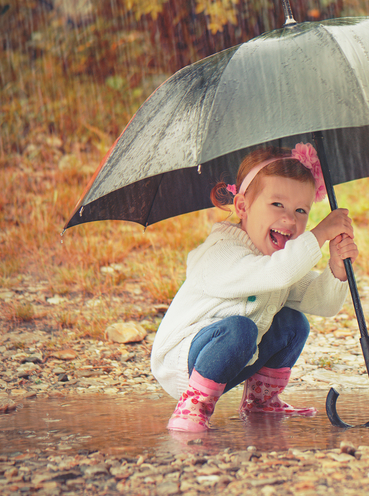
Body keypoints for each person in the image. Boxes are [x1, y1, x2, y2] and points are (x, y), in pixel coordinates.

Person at [151, 143, 357, 432]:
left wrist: (337, 267)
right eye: (277, 205)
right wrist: (320, 234)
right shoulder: (220, 252)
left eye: (301, 210)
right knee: (241, 329)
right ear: (242, 206)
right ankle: (192, 406)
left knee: (293, 322)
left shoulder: (275, 261)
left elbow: (322, 303)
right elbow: (279, 274)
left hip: (234, 358)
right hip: (185, 362)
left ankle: (261, 401)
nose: (290, 219)